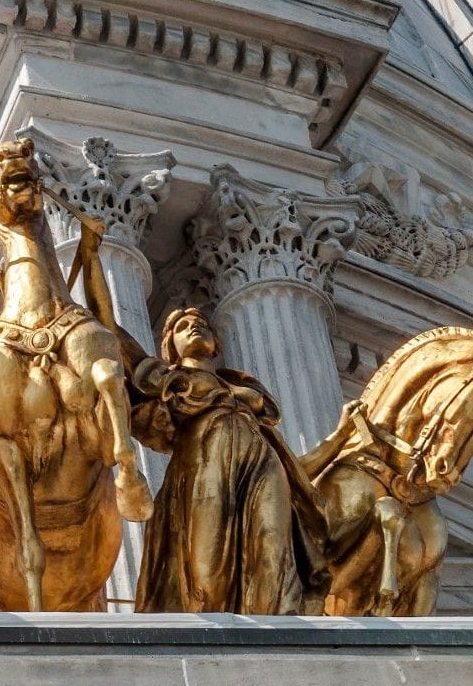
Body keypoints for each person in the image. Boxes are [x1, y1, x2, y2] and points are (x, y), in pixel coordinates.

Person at [77, 223, 326, 613]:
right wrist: (90, 254)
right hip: (202, 463)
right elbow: (105, 326)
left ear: (216, 344)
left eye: (201, 324)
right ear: (169, 347)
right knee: (203, 573)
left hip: (261, 460)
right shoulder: (166, 380)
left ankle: (283, 633)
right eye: (180, 327)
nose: (193, 326)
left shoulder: (244, 388)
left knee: (273, 547)